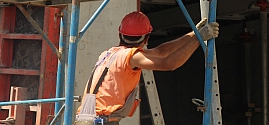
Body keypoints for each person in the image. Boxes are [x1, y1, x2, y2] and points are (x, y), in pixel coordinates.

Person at [79, 11, 219, 124]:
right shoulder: (131, 57)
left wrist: (194, 34)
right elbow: (169, 63)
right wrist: (198, 39)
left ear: (120, 33)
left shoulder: (110, 54)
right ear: (147, 39)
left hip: (85, 120)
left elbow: (161, 51)